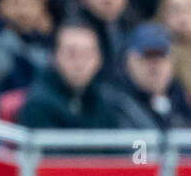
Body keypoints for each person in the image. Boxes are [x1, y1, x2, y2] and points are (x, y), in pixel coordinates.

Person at [19, 21, 153, 129]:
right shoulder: (37, 105)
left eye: (87, 54)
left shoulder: (109, 101)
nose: (80, 63)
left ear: (99, 59)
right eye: (72, 54)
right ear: (53, 57)